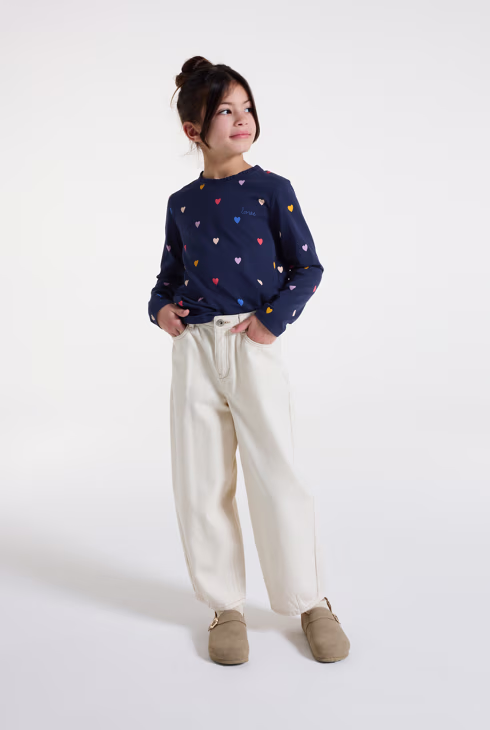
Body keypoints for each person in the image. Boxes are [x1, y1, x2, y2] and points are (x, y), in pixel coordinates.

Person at [148, 56, 350, 665]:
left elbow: (307, 266)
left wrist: (270, 321)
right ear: (194, 130)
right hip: (195, 351)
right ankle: (224, 606)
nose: (242, 119)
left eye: (247, 108)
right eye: (226, 111)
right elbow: (167, 276)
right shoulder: (181, 203)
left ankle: (310, 601)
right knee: (201, 479)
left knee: (276, 473)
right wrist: (161, 309)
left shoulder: (272, 189)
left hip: (250, 343)